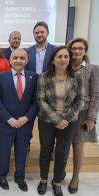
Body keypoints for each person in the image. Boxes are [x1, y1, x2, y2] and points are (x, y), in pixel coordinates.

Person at [36, 46, 84, 196]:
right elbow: (40, 100)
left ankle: (57, 182)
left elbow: (80, 101)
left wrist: (66, 119)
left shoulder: (77, 76)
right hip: (47, 120)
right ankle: (43, 180)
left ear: (69, 60)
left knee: (62, 153)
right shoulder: (44, 76)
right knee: (46, 151)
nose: (63, 59)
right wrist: (57, 119)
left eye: (66, 57)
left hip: (69, 122)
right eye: (60, 57)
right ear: (53, 60)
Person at [0, 48, 38, 192]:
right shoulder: (0, 77)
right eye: (15, 58)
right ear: (10, 60)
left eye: (22, 58)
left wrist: (27, 117)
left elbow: (36, 101)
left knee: (21, 152)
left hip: (25, 123)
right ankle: (1, 176)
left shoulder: (34, 77)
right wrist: (8, 118)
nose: (18, 60)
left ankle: (20, 177)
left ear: (27, 61)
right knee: (4, 151)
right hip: (6, 123)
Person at [66, 38, 99, 194]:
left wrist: (91, 117)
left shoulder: (93, 69)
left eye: (80, 48)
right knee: (63, 145)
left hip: (83, 113)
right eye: (74, 48)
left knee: (78, 146)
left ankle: (75, 177)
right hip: (64, 113)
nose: (77, 51)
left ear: (85, 51)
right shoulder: (65, 67)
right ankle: (60, 172)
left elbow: (96, 94)